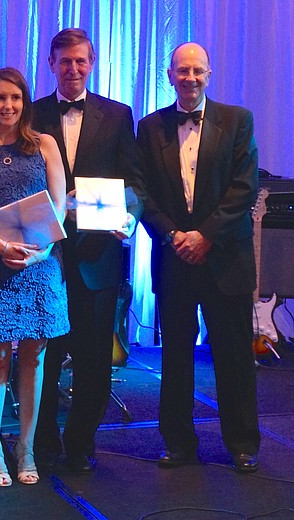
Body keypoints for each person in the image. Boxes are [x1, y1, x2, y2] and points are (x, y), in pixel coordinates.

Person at [137, 42, 260, 473]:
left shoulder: (238, 120)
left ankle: (243, 443)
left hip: (226, 258)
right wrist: (174, 236)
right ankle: (177, 443)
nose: (190, 78)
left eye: (198, 71)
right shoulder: (150, 127)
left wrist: (204, 235)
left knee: (234, 356)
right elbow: (141, 192)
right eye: (182, 71)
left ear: (209, 74)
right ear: (168, 75)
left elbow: (245, 187)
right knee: (174, 356)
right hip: (174, 258)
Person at [32, 28, 145, 472]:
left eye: (81, 61)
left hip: (98, 257)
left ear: (92, 63)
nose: (73, 69)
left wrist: (128, 218)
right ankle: (39, 444)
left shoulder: (118, 115)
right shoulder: (32, 113)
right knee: (42, 356)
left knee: (95, 362)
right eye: (65, 62)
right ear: (51, 64)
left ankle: (80, 444)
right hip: (45, 259)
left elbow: (135, 183)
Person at [0, 67, 69, 486]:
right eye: (1, 98)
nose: (8, 106)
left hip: (40, 265)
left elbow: (58, 205)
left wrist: (38, 253)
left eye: (16, 99)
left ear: (25, 103)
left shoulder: (45, 145)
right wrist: (1, 248)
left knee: (35, 357)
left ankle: (27, 449)